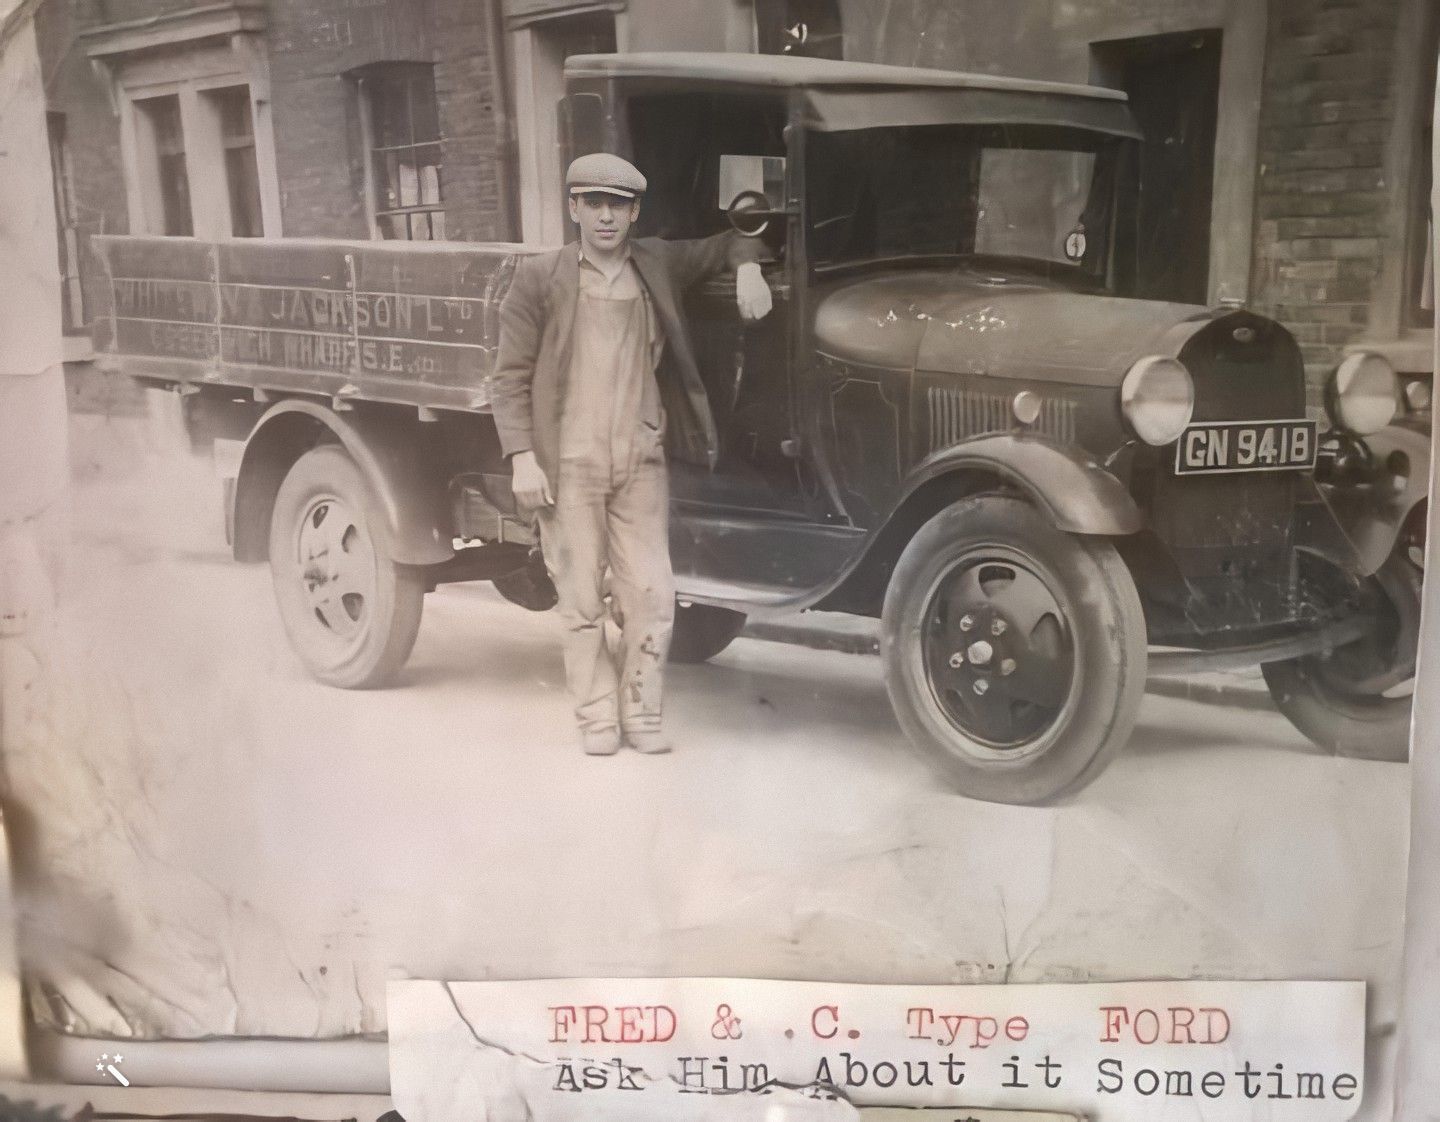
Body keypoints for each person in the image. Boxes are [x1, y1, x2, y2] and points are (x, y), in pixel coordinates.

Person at [490, 152, 773, 756]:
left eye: (619, 205)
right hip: (570, 464)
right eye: (593, 203)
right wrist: (522, 457)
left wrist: (749, 270)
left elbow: (730, 242)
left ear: (636, 211)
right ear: (573, 209)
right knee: (582, 599)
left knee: (651, 593)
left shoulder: (656, 264)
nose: (606, 217)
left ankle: (641, 712)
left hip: (640, 458)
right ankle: (596, 717)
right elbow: (508, 379)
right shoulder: (540, 279)